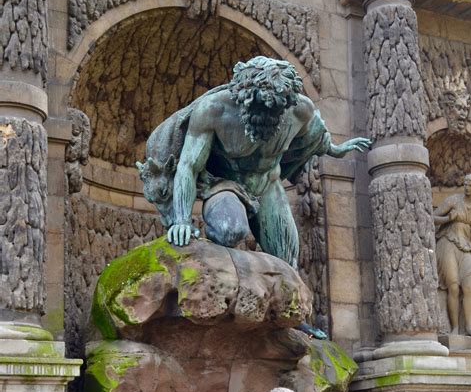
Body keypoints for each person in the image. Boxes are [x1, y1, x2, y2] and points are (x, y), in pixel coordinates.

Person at [143, 56, 370, 268]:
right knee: (229, 231)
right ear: (244, 97)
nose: (268, 113)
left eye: (276, 108)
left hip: (267, 184)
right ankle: (219, 271)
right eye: (262, 105)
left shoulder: (299, 110)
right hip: (224, 185)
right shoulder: (214, 110)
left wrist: (335, 149)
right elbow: (188, 166)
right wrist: (182, 220)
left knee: (287, 259)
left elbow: (315, 136)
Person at [434, 173, 471, 335]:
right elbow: (431, 218)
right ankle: (455, 328)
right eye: (465, 184)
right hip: (447, 243)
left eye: (470, 184)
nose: (466, 187)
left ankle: (470, 327)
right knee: (453, 286)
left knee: (470, 287)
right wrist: (450, 218)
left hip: (466, 246)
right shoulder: (453, 201)